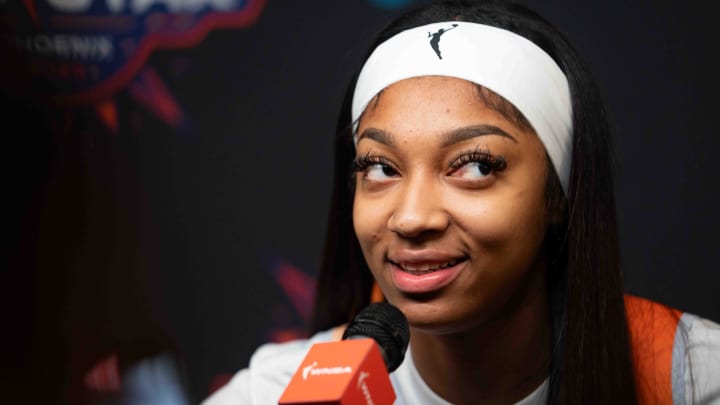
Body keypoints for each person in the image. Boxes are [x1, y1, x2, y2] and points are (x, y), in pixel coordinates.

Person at [202, 1, 720, 404]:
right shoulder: (276, 390)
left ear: (560, 195)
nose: (411, 217)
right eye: (380, 167)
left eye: (475, 166)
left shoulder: (696, 379)